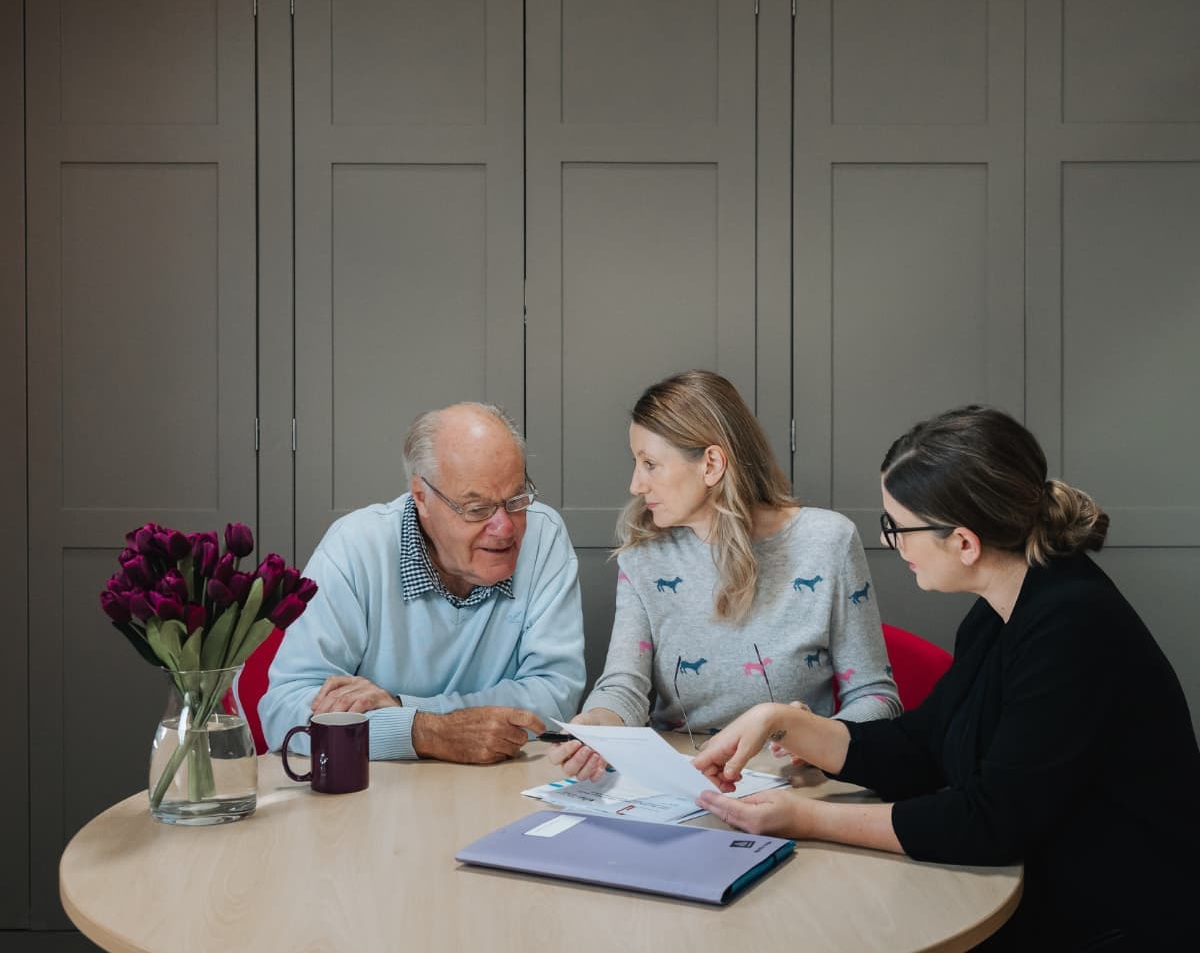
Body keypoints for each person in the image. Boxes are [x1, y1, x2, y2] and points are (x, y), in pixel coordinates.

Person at [693, 405, 1200, 949]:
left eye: (897, 527)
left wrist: (806, 820)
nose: (891, 543)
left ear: (963, 542)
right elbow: (926, 744)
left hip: (1114, 922)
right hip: (1049, 892)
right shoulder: (1001, 606)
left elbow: (988, 822)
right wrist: (783, 724)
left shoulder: (1071, 626)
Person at [550, 370, 899, 781]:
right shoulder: (644, 557)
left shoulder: (828, 542)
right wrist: (596, 725)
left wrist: (816, 734)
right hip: (682, 783)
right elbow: (624, 685)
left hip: (794, 790)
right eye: (636, 463)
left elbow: (876, 698)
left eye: (650, 464)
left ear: (711, 464)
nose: (635, 484)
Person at [260, 402, 586, 764]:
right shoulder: (355, 548)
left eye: (516, 500)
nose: (505, 527)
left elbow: (556, 694)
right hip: (379, 799)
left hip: (506, 786)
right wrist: (422, 732)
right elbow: (284, 711)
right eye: (477, 509)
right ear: (422, 498)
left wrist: (405, 709)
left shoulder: (543, 535)